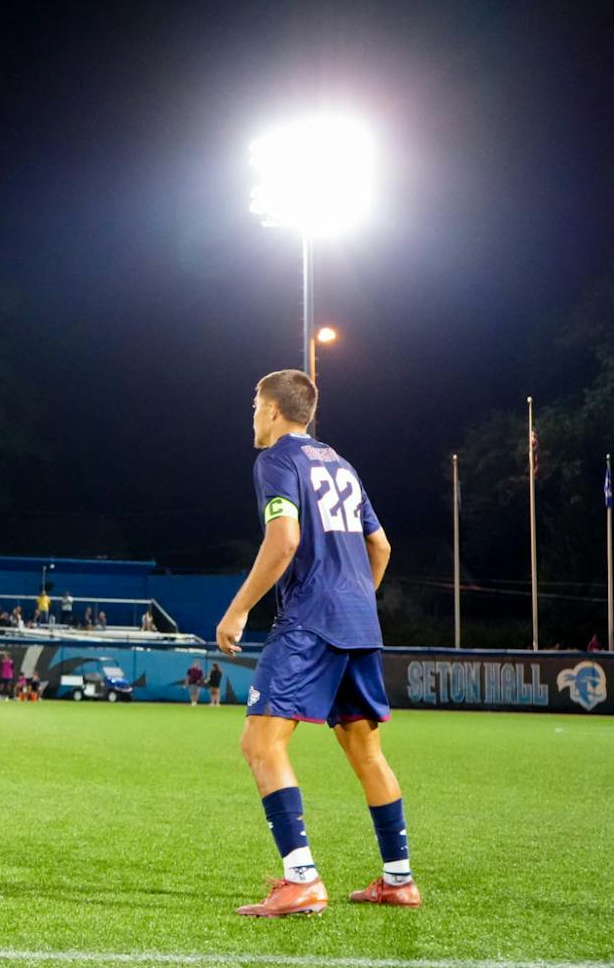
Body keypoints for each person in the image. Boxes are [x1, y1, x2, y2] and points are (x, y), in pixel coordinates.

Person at [216, 369, 416, 917]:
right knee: (366, 751)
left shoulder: (276, 460)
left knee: (260, 743)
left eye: (256, 404)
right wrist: (353, 601)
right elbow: (381, 546)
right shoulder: (342, 465)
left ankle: (300, 878)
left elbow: (284, 541)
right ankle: (399, 879)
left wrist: (237, 611)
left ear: (276, 411)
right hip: (358, 624)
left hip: (310, 620)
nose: (253, 414)